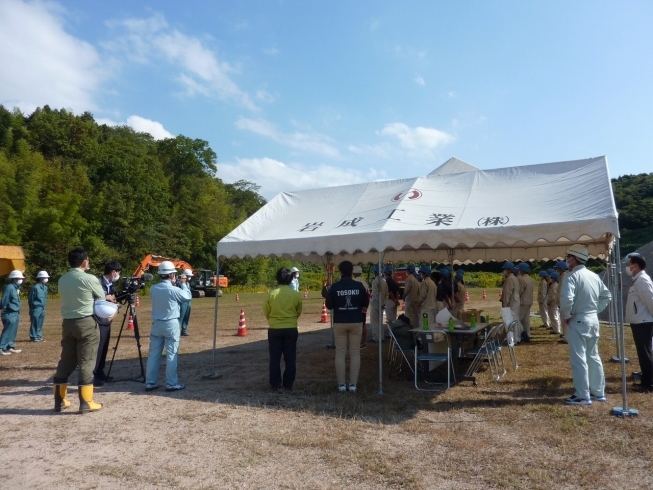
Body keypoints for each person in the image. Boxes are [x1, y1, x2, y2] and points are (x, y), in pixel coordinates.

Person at [53, 248, 108, 413]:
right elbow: (101, 297)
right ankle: (86, 402)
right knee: (87, 361)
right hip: (85, 322)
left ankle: (59, 401)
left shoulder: (62, 279)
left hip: (68, 323)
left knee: (66, 361)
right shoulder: (88, 278)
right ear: (84, 261)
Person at [559, 244, 611, 405]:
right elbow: (606, 296)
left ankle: (582, 394)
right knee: (593, 356)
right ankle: (598, 391)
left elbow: (567, 299)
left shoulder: (571, 276)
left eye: (568, 257)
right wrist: (595, 310)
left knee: (579, 357)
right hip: (593, 319)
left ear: (574, 259)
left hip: (578, 319)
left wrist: (566, 315)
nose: (566, 260)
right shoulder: (593, 276)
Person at [145, 261, 192, 392]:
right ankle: (171, 383)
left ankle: (150, 382)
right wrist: (183, 284)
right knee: (172, 354)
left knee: (153, 354)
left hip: (157, 323)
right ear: (171, 274)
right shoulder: (173, 289)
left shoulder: (153, 288)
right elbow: (187, 297)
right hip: (171, 323)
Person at [325, 261, 369, 392]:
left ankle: (341, 384)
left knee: (340, 353)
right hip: (356, 321)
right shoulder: (359, 286)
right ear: (352, 272)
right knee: (355, 353)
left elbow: (329, 305)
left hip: (340, 321)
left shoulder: (335, 287)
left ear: (340, 271)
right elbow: (365, 303)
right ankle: (353, 384)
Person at [263, 268, 303, 391]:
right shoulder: (295, 294)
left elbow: (266, 311)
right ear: (291, 278)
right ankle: (288, 383)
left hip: (275, 329)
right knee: (290, 357)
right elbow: (298, 311)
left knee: (274, 358)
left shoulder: (271, 294)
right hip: (291, 328)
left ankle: (275, 384)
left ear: (277, 279)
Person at [624, 253, 653, 393]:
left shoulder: (642, 280)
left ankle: (649, 384)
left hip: (643, 322)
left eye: (628, 264)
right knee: (642, 354)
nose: (627, 267)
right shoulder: (637, 280)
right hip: (639, 321)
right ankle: (646, 380)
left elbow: (650, 301)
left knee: (646, 353)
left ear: (635, 266)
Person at [93, 261, 122, 387]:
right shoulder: (97, 282)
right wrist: (105, 297)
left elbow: (114, 299)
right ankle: (92, 374)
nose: (119, 275)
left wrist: (115, 308)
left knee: (104, 347)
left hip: (107, 320)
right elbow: (92, 298)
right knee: (97, 348)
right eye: (118, 273)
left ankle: (100, 371)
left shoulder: (112, 284)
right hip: (97, 319)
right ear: (113, 272)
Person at [0, 270, 24, 355]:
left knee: (13, 330)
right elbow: (4, 300)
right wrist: (3, 309)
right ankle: (1, 348)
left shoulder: (15, 288)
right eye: (20, 278)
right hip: (9, 312)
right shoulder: (9, 287)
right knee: (7, 330)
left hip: (15, 312)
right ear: (15, 279)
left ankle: (10, 346)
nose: (21, 280)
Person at [501, 262, 522, 343]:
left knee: (509, 322)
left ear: (509, 270)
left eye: (505, 269)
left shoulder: (509, 279)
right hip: (516, 302)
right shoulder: (515, 278)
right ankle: (517, 338)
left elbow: (507, 293)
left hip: (511, 303)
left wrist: (504, 305)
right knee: (515, 320)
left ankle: (511, 340)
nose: (504, 271)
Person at [28, 271, 49, 343]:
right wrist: (31, 308)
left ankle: (39, 336)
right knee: (35, 322)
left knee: (40, 322)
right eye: (45, 277)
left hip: (42, 308)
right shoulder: (35, 287)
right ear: (40, 278)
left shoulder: (45, 288)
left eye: (47, 277)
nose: (46, 279)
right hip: (36, 308)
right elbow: (31, 298)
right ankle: (34, 337)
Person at [369, 265, 388, 341]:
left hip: (376, 304)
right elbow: (387, 294)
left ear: (375, 272)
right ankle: (381, 336)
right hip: (382, 304)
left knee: (375, 322)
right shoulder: (384, 282)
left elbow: (376, 294)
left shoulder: (374, 282)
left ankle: (376, 338)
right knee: (380, 322)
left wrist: (380, 303)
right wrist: (384, 303)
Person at [352, 265, 369, 348]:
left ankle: (356, 342)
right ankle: (363, 342)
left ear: (353, 273)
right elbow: (368, 295)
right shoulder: (365, 283)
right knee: (363, 324)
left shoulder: (353, 283)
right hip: (364, 307)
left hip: (355, 307)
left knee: (355, 325)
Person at [517, 263, 534, 343]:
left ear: (522, 270)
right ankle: (528, 334)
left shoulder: (521, 279)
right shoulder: (530, 279)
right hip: (529, 301)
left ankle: (521, 335)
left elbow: (519, 291)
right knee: (526, 320)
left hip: (523, 301)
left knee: (518, 319)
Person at [555, 260, 569, 343]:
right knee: (563, 319)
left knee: (564, 320)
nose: (557, 271)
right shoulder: (563, 276)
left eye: (558, 269)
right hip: (563, 301)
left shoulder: (564, 276)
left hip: (563, 302)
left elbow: (561, 291)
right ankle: (565, 335)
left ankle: (566, 337)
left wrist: (560, 302)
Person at [403, 264, 421, 328]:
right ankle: (416, 329)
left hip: (410, 300)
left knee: (409, 316)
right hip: (415, 300)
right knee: (415, 316)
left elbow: (407, 290)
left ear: (409, 270)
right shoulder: (415, 280)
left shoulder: (408, 279)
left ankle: (411, 329)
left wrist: (404, 296)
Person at [177, 268, 193, 336]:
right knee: (181, 316)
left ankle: (184, 330)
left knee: (186, 316)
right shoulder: (180, 283)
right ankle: (177, 331)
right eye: (188, 276)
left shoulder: (187, 283)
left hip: (188, 302)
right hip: (182, 302)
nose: (189, 277)